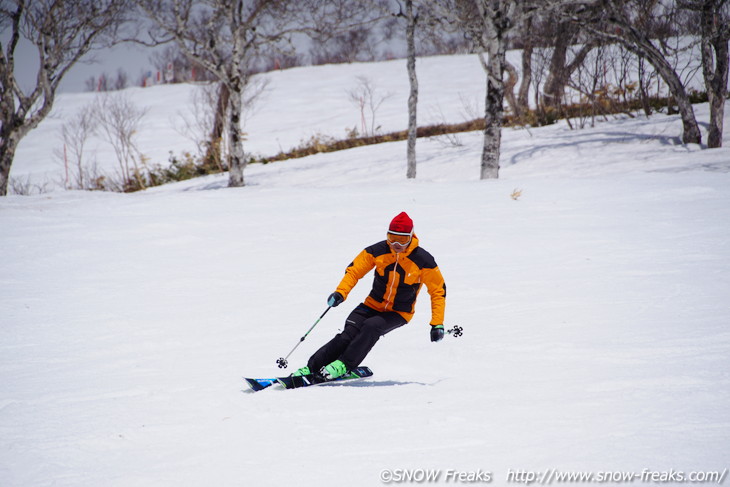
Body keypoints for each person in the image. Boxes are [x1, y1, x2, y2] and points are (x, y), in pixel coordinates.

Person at [294, 211, 447, 381]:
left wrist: (437, 324)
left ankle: (344, 365)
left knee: (371, 327)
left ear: (411, 237)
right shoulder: (377, 251)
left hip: (398, 312)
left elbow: (438, 291)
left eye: (402, 239)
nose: (396, 243)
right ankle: (311, 367)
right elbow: (354, 271)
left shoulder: (423, 260)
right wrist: (341, 293)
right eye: (392, 237)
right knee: (349, 332)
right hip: (371, 305)